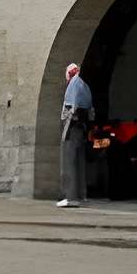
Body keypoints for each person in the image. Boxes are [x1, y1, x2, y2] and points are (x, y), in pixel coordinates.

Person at [57, 62, 93, 207]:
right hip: (81, 129)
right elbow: (90, 110)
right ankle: (81, 194)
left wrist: (67, 125)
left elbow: (71, 108)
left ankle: (68, 196)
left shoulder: (74, 85)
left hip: (72, 128)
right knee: (79, 161)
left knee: (68, 161)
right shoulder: (85, 86)